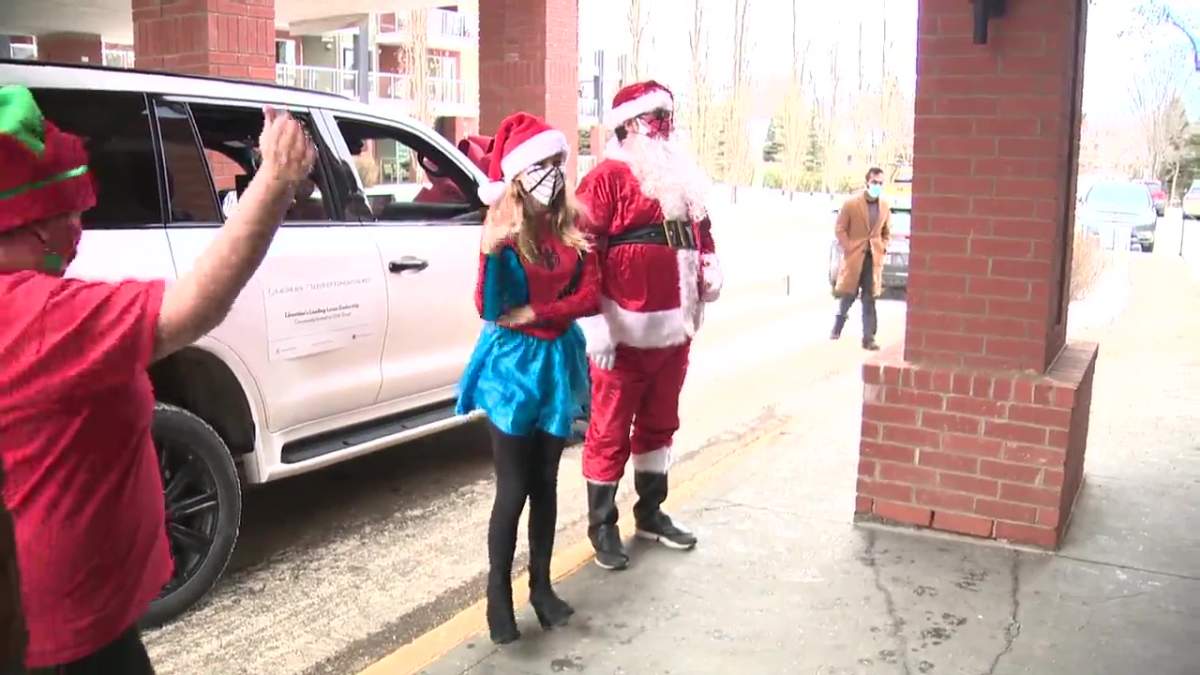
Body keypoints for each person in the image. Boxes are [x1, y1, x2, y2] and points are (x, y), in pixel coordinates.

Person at [0, 85, 315, 673]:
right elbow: (193, 308)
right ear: (23, 225)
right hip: (64, 641)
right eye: (65, 214)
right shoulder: (31, 316)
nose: (78, 226)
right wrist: (274, 181)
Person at [455, 113, 600, 644]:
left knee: (546, 483)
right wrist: (490, 251)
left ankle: (541, 587)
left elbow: (590, 295)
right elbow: (490, 309)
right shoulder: (502, 229)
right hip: (511, 368)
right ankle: (499, 596)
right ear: (517, 176)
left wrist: (539, 313)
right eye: (539, 166)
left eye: (555, 163)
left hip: (555, 360)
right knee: (514, 486)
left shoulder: (570, 226)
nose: (551, 174)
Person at [574, 80, 723, 571]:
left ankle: (651, 511)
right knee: (610, 428)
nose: (663, 127)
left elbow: (699, 232)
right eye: (653, 117)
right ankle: (602, 524)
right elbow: (581, 251)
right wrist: (594, 323)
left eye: (667, 116)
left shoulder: (680, 181)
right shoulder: (606, 180)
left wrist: (708, 268)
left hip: (674, 331)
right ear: (628, 126)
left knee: (660, 423)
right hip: (624, 334)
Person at [831, 167, 891, 351]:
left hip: (873, 259)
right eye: (874, 182)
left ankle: (869, 338)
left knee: (869, 298)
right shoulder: (851, 204)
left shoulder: (884, 207)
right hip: (855, 256)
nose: (877, 186)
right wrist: (848, 246)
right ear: (867, 182)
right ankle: (838, 324)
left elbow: (886, 232)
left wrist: (883, 247)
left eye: (880, 183)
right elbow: (840, 228)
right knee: (848, 295)